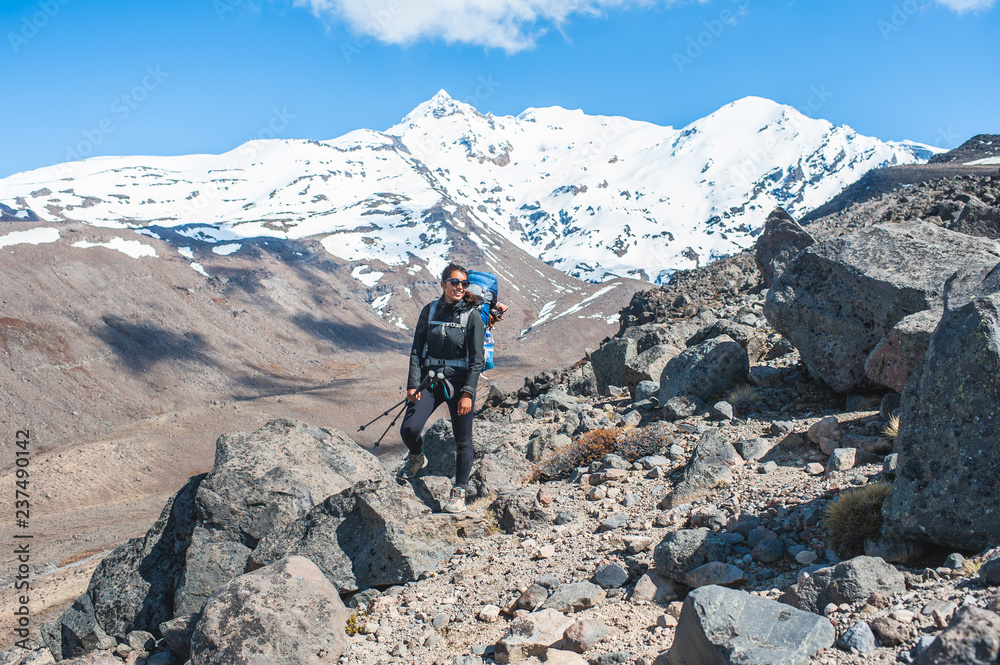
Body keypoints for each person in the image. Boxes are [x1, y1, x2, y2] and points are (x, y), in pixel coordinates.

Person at [399, 262, 485, 513]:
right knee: (409, 429)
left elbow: (477, 359)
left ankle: (459, 492)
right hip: (430, 380)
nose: (459, 287)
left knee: (463, 440)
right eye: (454, 282)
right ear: (443, 284)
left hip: (459, 382)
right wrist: (413, 385)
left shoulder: (472, 316)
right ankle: (417, 457)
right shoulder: (430, 311)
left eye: (464, 283)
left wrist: (468, 393)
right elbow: (416, 350)